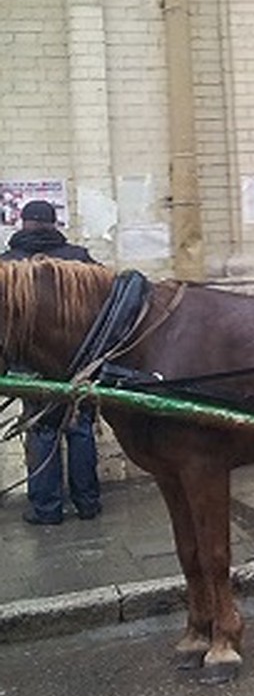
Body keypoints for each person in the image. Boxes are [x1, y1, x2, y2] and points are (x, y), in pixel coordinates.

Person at [1, 200, 103, 525]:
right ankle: (87, 503)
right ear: (54, 223)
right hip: (79, 364)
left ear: (23, 223)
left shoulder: (8, 265)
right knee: (80, 429)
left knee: (42, 432)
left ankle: (47, 509)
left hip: (31, 368)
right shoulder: (81, 260)